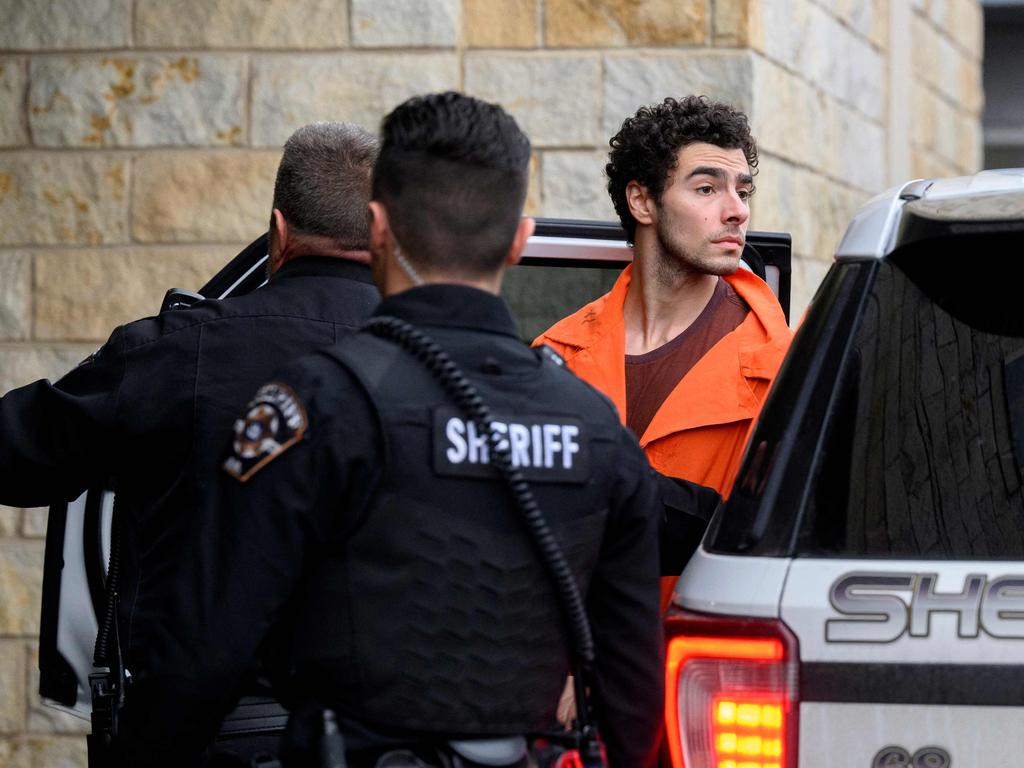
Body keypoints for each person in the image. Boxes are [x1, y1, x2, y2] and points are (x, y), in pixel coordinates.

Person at [117, 91, 665, 768]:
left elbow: (201, 652)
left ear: (378, 227)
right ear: (520, 240)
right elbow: (634, 701)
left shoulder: (311, 406)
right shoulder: (598, 433)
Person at [0, 122, 381, 757]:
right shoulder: (453, 364)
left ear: (279, 234)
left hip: (208, 737)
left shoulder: (177, 352)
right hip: (395, 739)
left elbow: (15, 454)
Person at [534, 96, 792, 605]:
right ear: (642, 202)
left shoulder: (785, 372)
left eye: (742, 191)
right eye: (706, 188)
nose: (737, 210)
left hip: (699, 668)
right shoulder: (554, 354)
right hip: (567, 670)